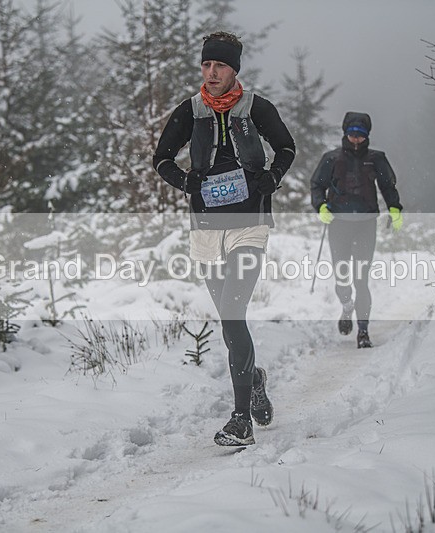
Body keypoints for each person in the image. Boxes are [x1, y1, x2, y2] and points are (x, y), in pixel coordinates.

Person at [153, 31, 296, 446]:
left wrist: (272, 176)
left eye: (220, 66)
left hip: (249, 224)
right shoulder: (190, 110)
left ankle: (240, 420)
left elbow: (286, 147)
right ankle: (254, 379)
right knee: (229, 321)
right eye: (206, 65)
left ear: (234, 70)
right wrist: (184, 181)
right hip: (206, 230)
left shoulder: (256, 108)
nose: (211, 73)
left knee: (233, 311)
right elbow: (161, 158)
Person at [310, 111, 403, 349]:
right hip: (339, 224)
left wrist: (394, 208)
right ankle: (346, 305)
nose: (356, 139)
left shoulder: (376, 159)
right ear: (345, 133)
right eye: (352, 134)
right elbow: (317, 185)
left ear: (367, 136)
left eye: (360, 135)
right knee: (342, 278)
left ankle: (363, 331)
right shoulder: (332, 158)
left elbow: (387, 186)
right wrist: (321, 206)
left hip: (365, 224)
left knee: (361, 280)